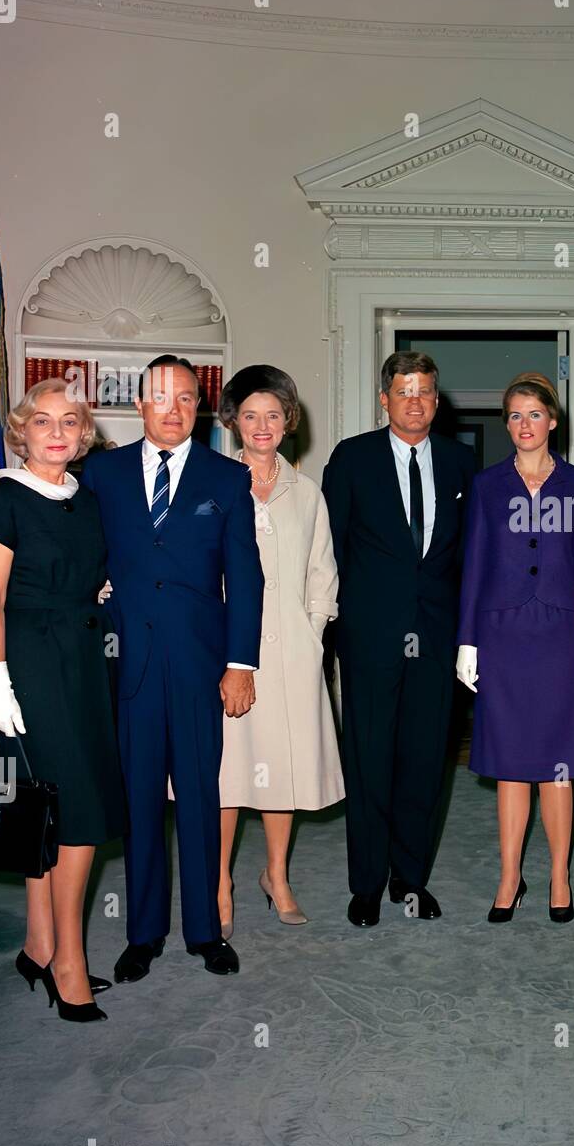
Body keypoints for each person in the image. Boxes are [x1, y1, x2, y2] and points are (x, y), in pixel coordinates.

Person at [81, 354, 264, 981]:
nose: (175, 409)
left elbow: (245, 578)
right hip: (126, 663)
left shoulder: (227, 478)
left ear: (200, 406)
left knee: (199, 795)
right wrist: (92, 591)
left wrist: (240, 663)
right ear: (140, 403)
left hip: (198, 665)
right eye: (162, 397)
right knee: (138, 802)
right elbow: (78, 553)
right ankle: (143, 932)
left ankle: (206, 931)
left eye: (188, 399)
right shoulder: (100, 474)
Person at [0, 378, 124, 1021]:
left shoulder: (84, 501)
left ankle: (37, 943)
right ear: (21, 432)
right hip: (31, 667)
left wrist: (99, 590)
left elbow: (85, 573)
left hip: (86, 664)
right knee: (76, 812)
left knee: (51, 807)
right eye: (41, 421)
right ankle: (68, 962)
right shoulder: (3, 497)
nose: (56, 432)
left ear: (83, 434)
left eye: (69, 422)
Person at [321, 351, 476, 928]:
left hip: (437, 640)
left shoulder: (463, 464)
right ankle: (366, 883)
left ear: (438, 401)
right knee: (368, 761)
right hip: (369, 637)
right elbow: (330, 551)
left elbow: (469, 557)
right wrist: (332, 633)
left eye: (426, 392)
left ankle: (410, 881)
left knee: (424, 761)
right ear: (384, 399)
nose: (416, 401)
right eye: (404, 391)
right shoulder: (352, 458)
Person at [456, 374, 574, 923]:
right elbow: (474, 564)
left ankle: (560, 875)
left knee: (558, 766)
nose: (523, 425)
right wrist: (467, 639)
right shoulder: (488, 485)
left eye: (534, 414)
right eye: (514, 415)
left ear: (553, 421)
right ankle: (510, 875)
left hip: (559, 634)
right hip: (503, 634)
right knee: (511, 764)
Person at [216, 365, 344, 935]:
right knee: (224, 770)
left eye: (272, 414)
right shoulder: (214, 485)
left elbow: (323, 576)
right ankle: (218, 883)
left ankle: (277, 875)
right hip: (226, 650)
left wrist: (312, 634)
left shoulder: (307, 492)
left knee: (279, 770)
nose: (262, 425)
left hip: (292, 652)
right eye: (250, 415)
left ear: (288, 421)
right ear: (233, 422)